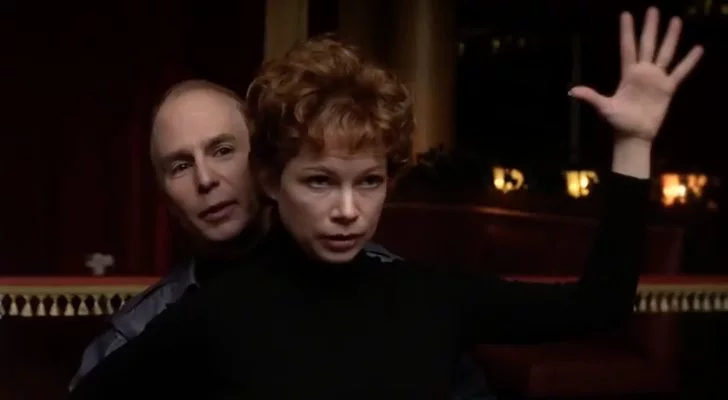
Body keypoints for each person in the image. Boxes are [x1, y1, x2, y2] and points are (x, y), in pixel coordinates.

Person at [70, 7, 702, 399]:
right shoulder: (217, 313)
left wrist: (633, 145)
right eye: (320, 182)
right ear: (271, 180)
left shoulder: (428, 296)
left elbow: (600, 304)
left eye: (368, 182)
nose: (348, 210)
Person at [69, 79, 493, 399]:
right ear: (165, 198)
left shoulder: (391, 288)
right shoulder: (138, 330)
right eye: (180, 166)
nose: (206, 179)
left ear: (266, 161)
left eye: (222, 150)